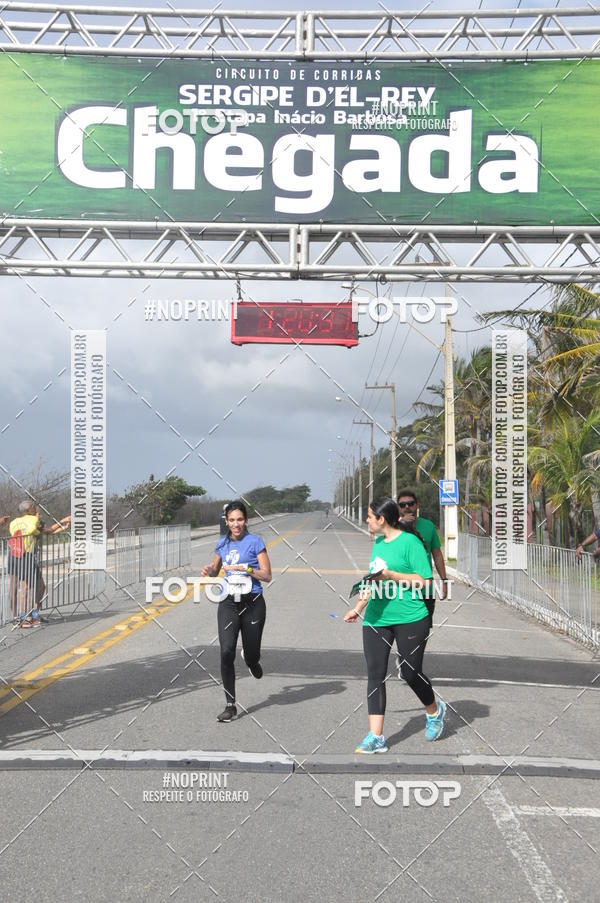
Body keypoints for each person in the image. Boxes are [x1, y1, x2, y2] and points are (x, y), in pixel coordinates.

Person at [344, 498, 446, 753]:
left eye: (369, 516)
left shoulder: (410, 543)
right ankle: (376, 736)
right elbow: (372, 580)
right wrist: (358, 607)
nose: (367, 521)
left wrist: (392, 575)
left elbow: (424, 582)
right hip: (377, 619)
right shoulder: (378, 544)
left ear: (382, 519)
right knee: (375, 675)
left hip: (411, 617)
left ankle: (434, 711)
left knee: (411, 673)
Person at [201, 500, 272, 723]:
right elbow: (215, 571)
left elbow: (267, 575)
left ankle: (251, 661)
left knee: (251, 653)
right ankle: (230, 705)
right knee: (226, 652)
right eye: (231, 520)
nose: (236, 524)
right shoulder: (222, 544)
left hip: (253, 603)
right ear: (227, 521)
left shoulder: (255, 542)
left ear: (246, 520)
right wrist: (210, 570)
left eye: (240, 519)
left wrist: (247, 569)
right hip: (229, 603)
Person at [8, 500, 71, 628]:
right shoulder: (33, 520)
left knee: (40, 586)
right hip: (26, 554)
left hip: (14, 553)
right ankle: (24, 618)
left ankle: (32, 613)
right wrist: (63, 520)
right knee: (27, 588)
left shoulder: (14, 522)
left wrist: (62, 526)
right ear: (29, 509)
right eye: (34, 508)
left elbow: (45, 531)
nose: (37, 511)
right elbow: (45, 530)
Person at [396, 489, 448, 629]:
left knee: (422, 631)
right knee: (399, 630)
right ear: (398, 508)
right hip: (399, 591)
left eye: (410, 503)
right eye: (402, 505)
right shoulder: (393, 527)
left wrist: (444, 580)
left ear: (417, 505)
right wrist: (401, 524)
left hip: (425, 591)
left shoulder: (428, 526)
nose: (407, 507)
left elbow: (437, 554)